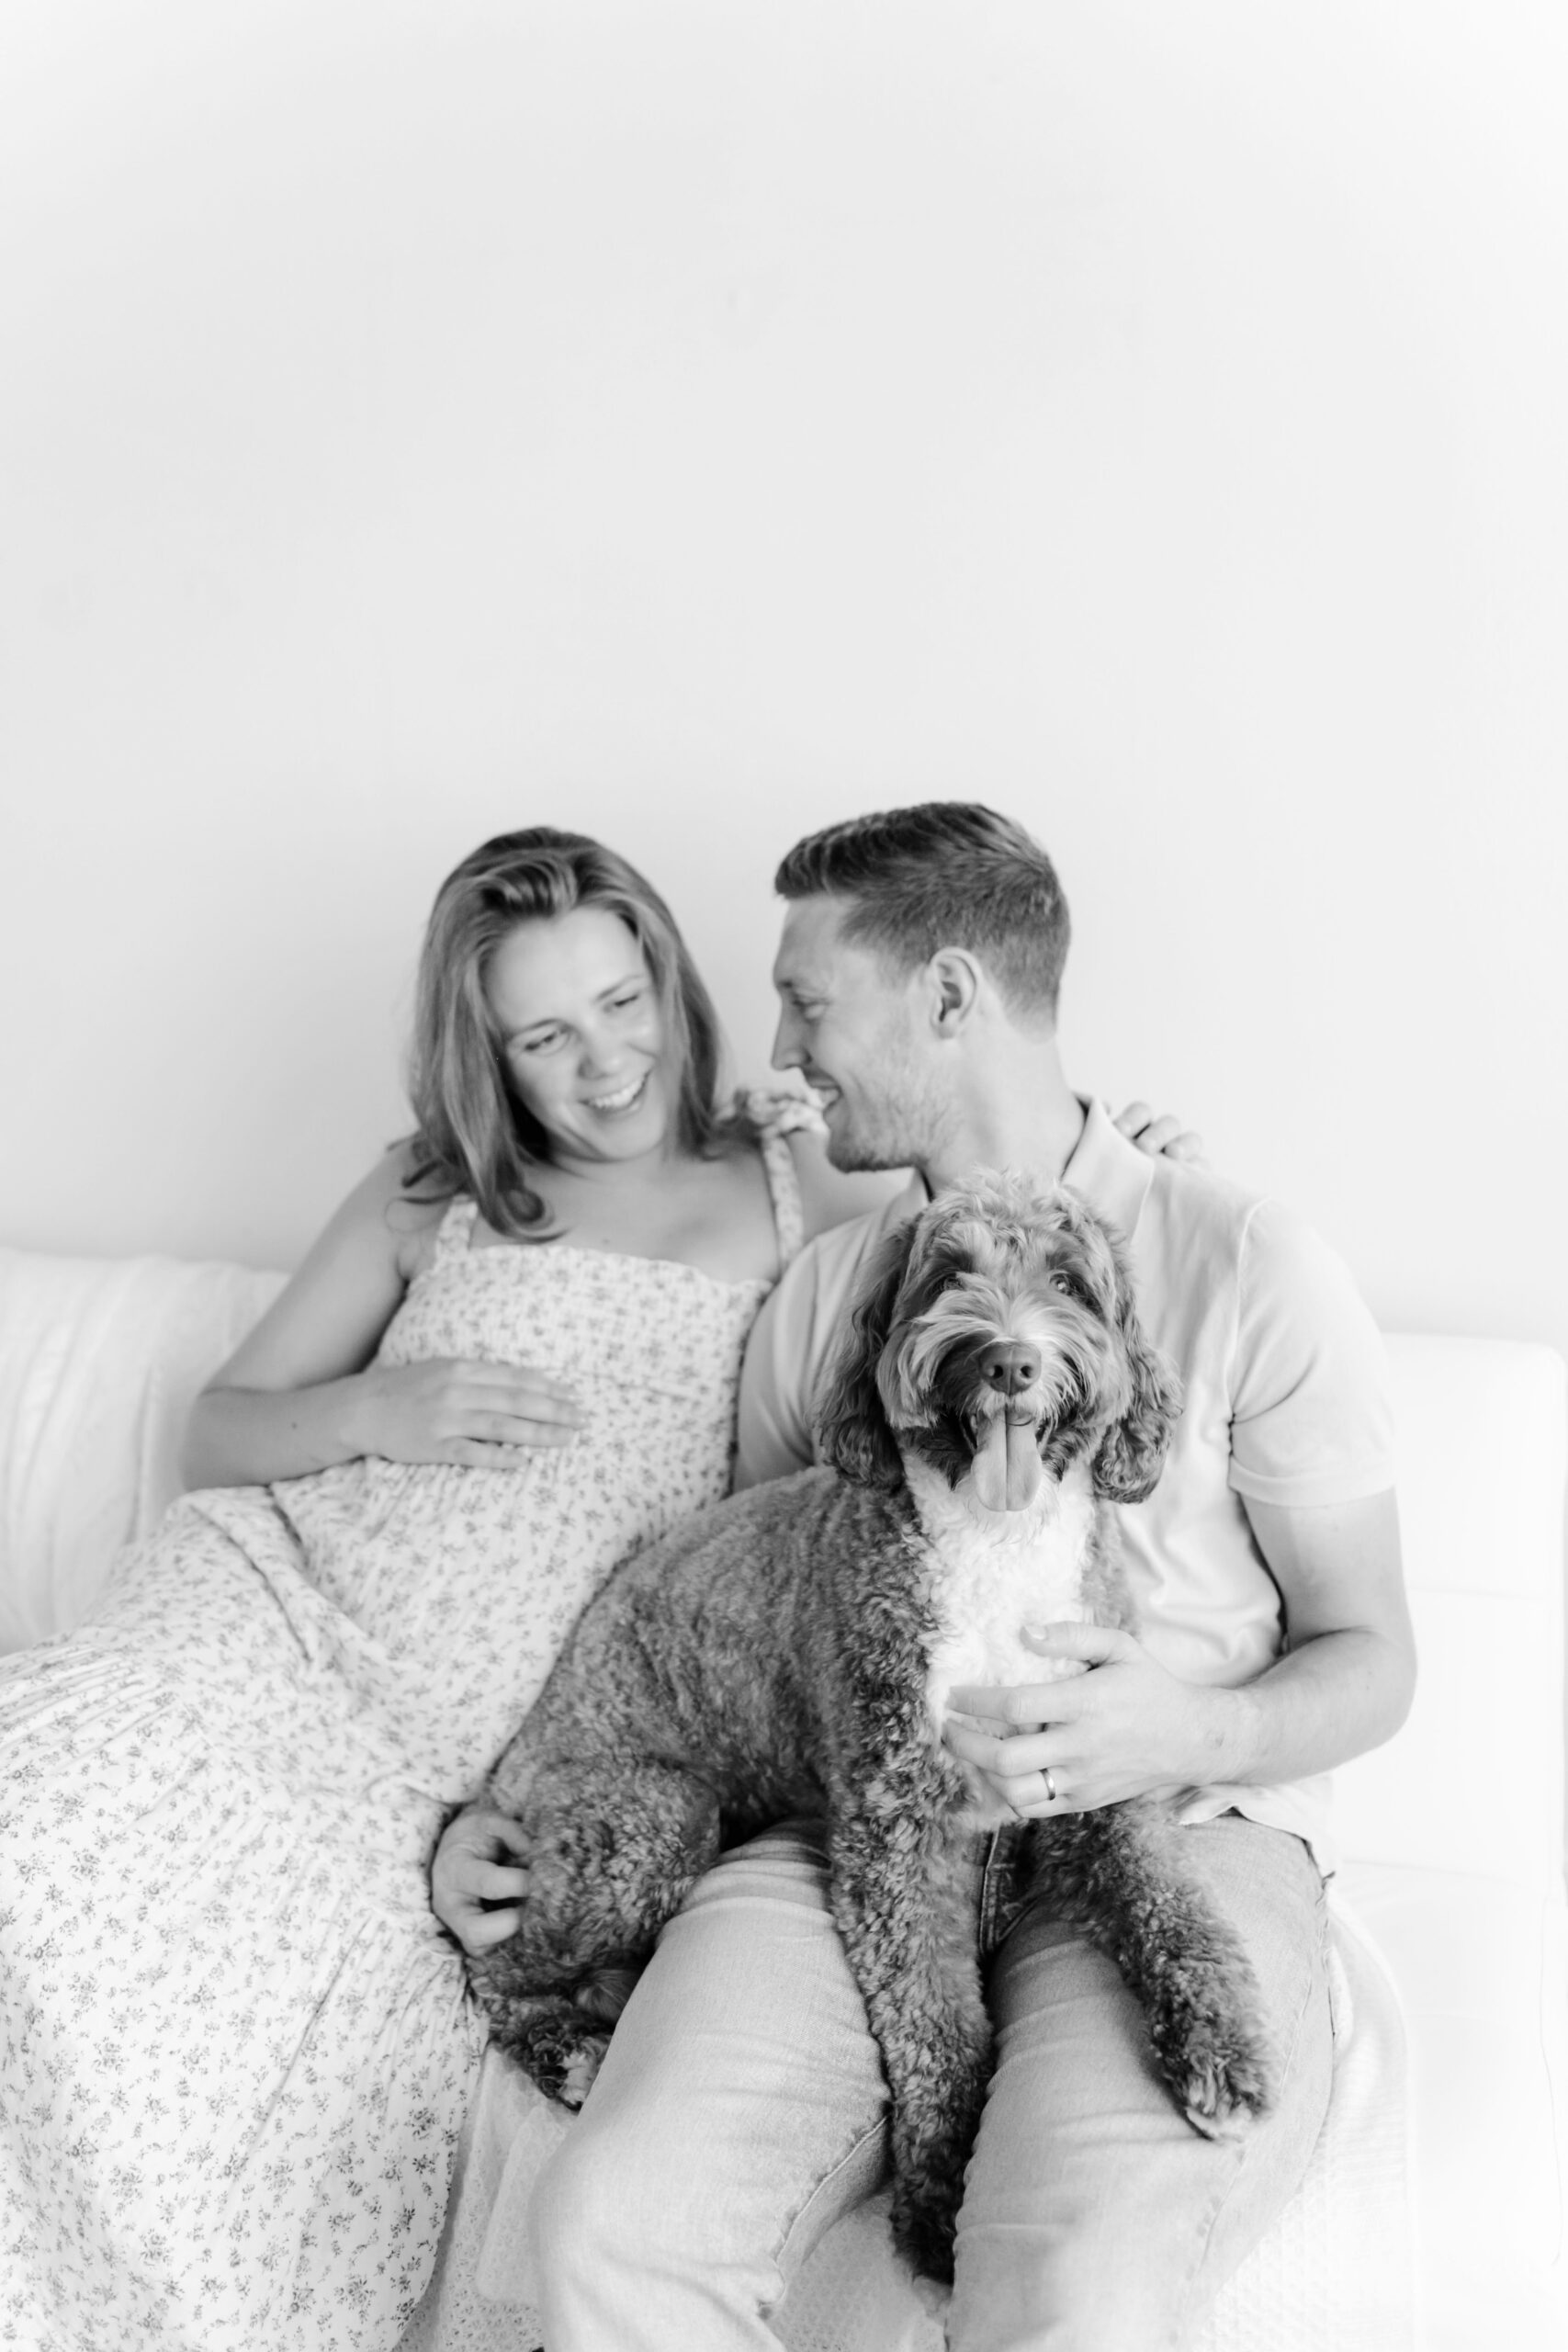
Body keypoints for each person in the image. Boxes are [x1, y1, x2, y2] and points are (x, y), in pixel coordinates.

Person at [439, 802, 1416, 2352]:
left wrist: (1188, 1729)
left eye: (808, 1002)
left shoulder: (1244, 1259)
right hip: (853, 1832)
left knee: (1072, 2282)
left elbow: (1376, 1655)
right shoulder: (827, 1294)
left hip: (1173, 1825)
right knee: (614, 2220)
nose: (779, 1050)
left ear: (948, 995)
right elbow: (750, 1620)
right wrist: (529, 1809)